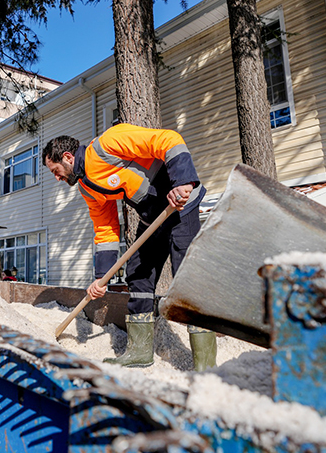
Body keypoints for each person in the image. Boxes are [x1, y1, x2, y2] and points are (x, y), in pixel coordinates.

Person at [43, 123, 217, 370]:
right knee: (138, 272)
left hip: (179, 204)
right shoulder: (87, 188)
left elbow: (168, 139)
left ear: (68, 158)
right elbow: (105, 229)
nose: (58, 177)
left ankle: (205, 364)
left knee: (189, 278)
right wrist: (102, 277)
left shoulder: (108, 144)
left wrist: (184, 181)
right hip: (152, 218)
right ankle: (140, 350)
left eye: (56, 170)